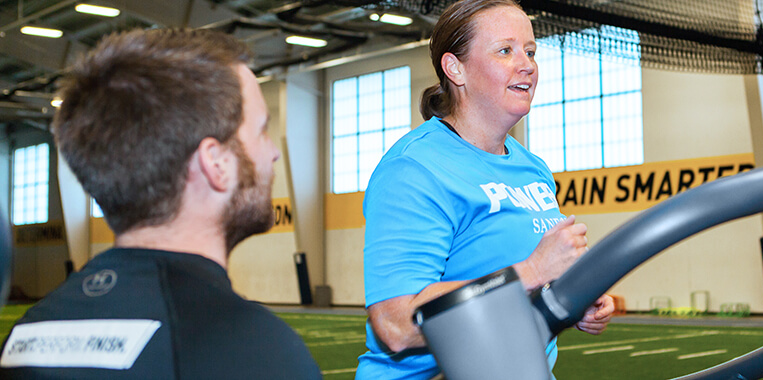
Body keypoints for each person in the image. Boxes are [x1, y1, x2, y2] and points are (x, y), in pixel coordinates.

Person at [0, 29, 322, 379]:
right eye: (261, 130)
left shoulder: (25, 337)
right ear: (215, 163)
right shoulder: (257, 351)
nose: (272, 152)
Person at [356, 0, 615, 378]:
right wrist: (529, 272)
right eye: (505, 50)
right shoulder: (414, 168)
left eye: (530, 51)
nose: (526, 63)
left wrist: (572, 296)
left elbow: (523, 283)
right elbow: (396, 323)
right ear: (455, 68)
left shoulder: (533, 169)